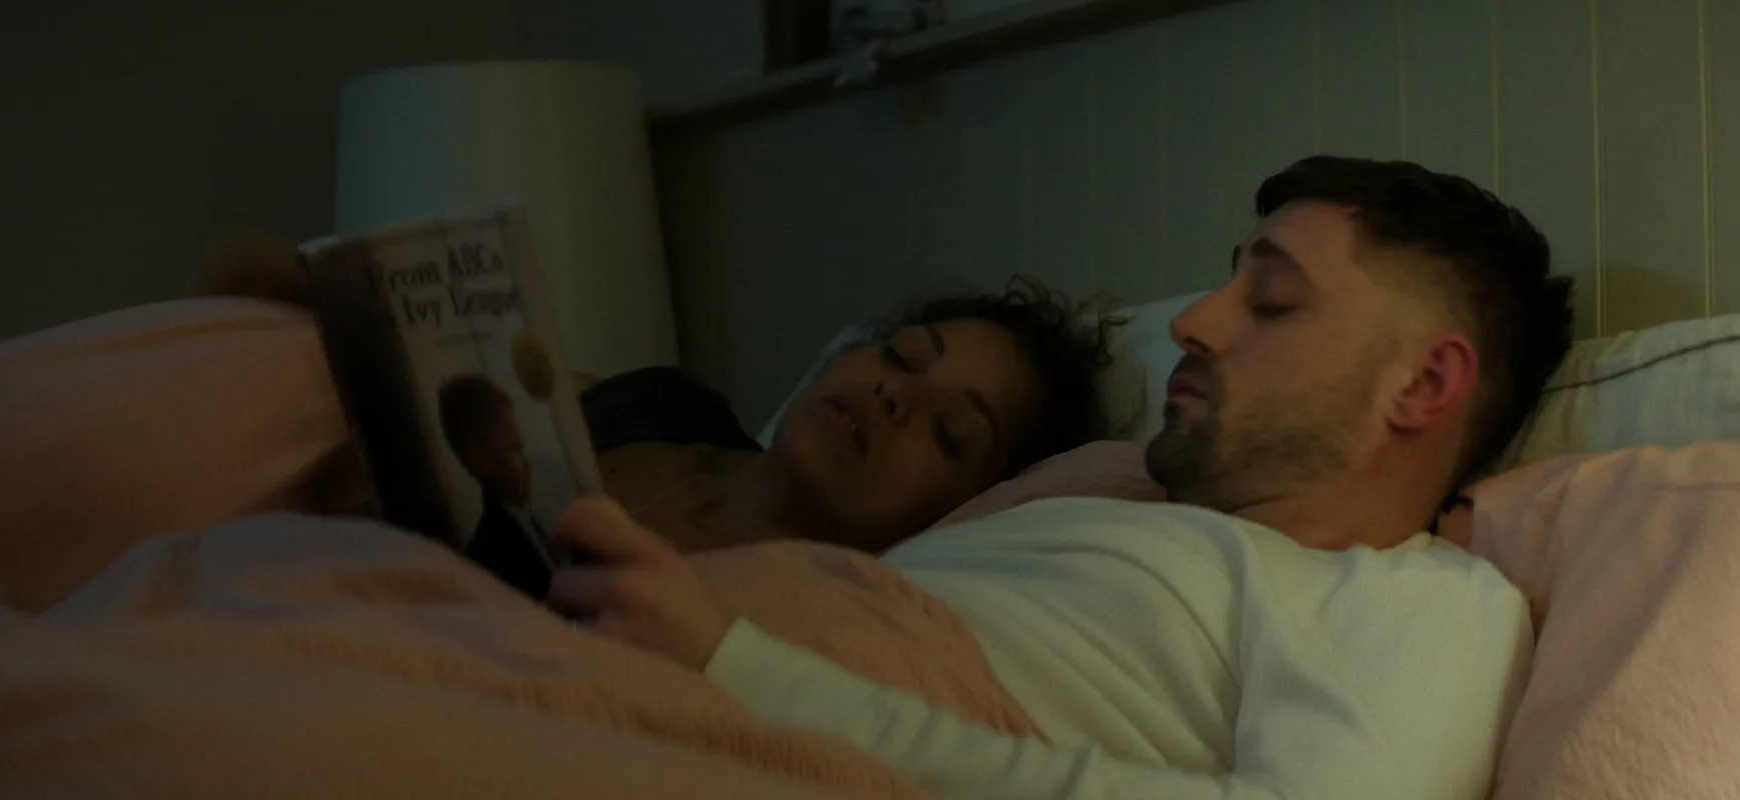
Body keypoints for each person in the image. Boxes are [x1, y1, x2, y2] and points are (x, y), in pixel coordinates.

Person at [547, 156, 1577, 799]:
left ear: (1423, 382)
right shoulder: (1084, 510)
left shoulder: (1417, 600)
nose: (1192, 322)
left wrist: (737, 666)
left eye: (1269, 299)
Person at [575, 275, 1119, 555]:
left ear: (960, 514)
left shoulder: (766, 626)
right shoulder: (668, 402)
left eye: (948, 432)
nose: (894, 391)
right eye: (901, 356)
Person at [436, 372, 556, 597]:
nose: (527, 463)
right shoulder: (489, 556)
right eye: (514, 448)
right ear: (482, 459)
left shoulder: (530, 523)